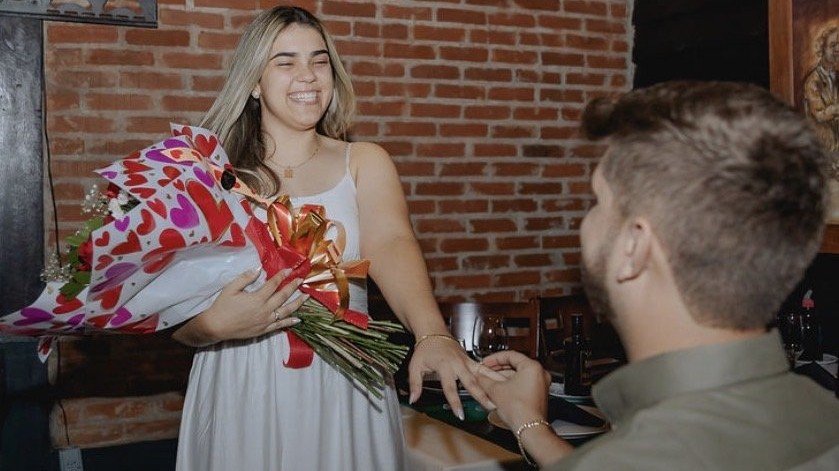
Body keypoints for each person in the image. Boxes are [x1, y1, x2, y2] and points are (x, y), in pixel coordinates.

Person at [170, 6, 491, 470]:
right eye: (285, 62)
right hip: (242, 376)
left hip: (346, 373)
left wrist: (432, 333)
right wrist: (210, 328)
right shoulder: (209, 174)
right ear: (254, 82)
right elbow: (175, 313)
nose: (308, 76)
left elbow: (392, 244)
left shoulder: (364, 161)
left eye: (319, 61)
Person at [477, 81, 839, 470]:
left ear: (635, 245)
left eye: (599, 201)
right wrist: (528, 422)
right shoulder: (822, 415)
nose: (585, 221)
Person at [804, 25, 839, 153]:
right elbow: (819, 115)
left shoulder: (837, 76)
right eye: (833, 45)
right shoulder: (813, 81)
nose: (838, 49)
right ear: (822, 49)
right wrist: (836, 109)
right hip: (823, 144)